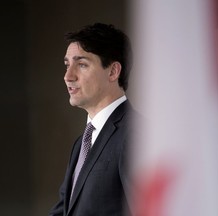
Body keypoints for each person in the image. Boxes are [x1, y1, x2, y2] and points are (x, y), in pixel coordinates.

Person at [49, 23, 136, 216]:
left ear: (113, 71)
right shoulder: (81, 143)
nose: (67, 76)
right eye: (67, 65)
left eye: (81, 64)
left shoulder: (135, 133)